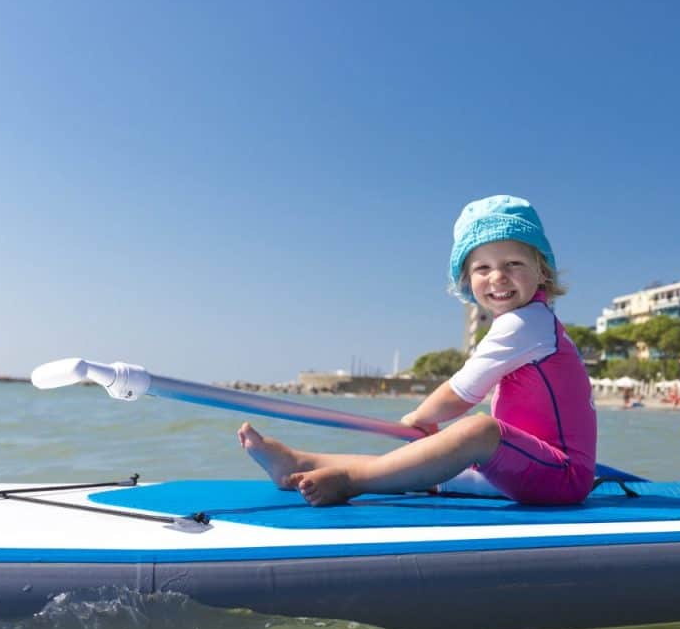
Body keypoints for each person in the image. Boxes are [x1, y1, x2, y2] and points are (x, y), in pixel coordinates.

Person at [238, 194, 598, 506]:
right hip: (524, 466)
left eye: (513, 264)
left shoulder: (524, 323)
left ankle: (351, 481)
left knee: (477, 431)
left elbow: (460, 393)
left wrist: (421, 419)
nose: (497, 277)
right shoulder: (537, 321)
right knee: (421, 464)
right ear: (467, 281)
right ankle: (299, 463)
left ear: (542, 272)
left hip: (560, 477)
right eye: (482, 268)